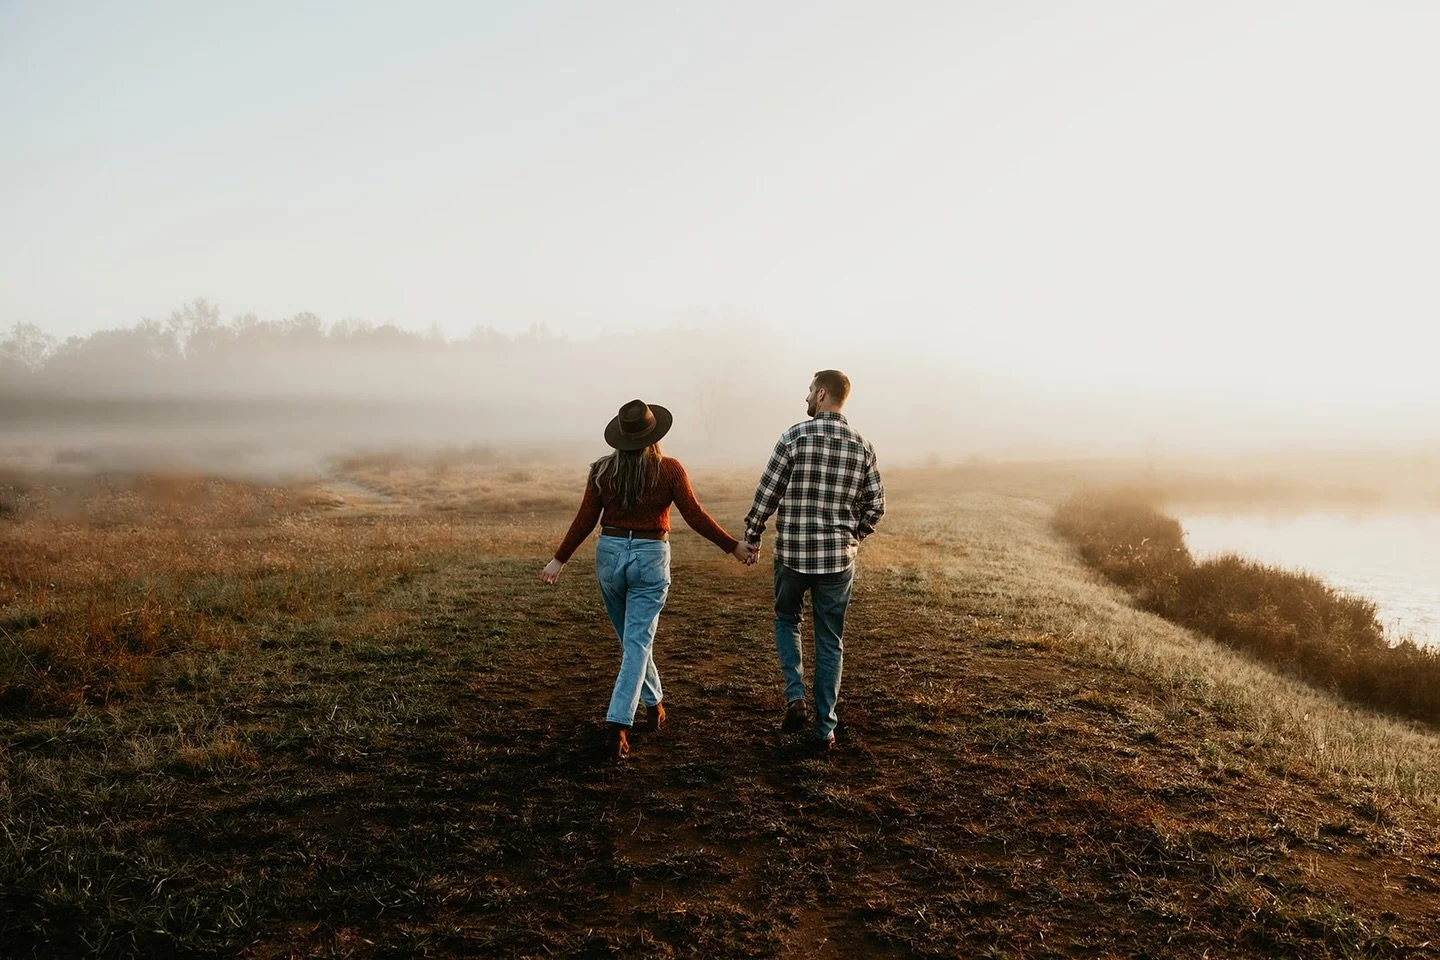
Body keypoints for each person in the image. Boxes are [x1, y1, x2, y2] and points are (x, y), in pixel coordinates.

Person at [541, 399, 755, 760]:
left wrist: (559, 559)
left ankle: (654, 702)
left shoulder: (601, 471)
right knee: (637, 641)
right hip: (650, 556)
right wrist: (732, 546)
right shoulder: (669, 470)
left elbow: (585, 519)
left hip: (609, 554)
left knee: (633, 640)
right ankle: (619, 722)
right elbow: (694, 514)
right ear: (655, 434)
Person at [742, 370, 885, 756]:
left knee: (787, 619)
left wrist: (752, 536)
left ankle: (795, 697)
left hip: (793, 554)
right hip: (837, 560)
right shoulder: (862, 446)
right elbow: (876, 505)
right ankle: (825, 730)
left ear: (822, 394)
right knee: (830, 639)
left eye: (809, 390)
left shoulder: (794, 437)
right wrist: (852, 534)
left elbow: (766, 494)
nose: (805, 396)